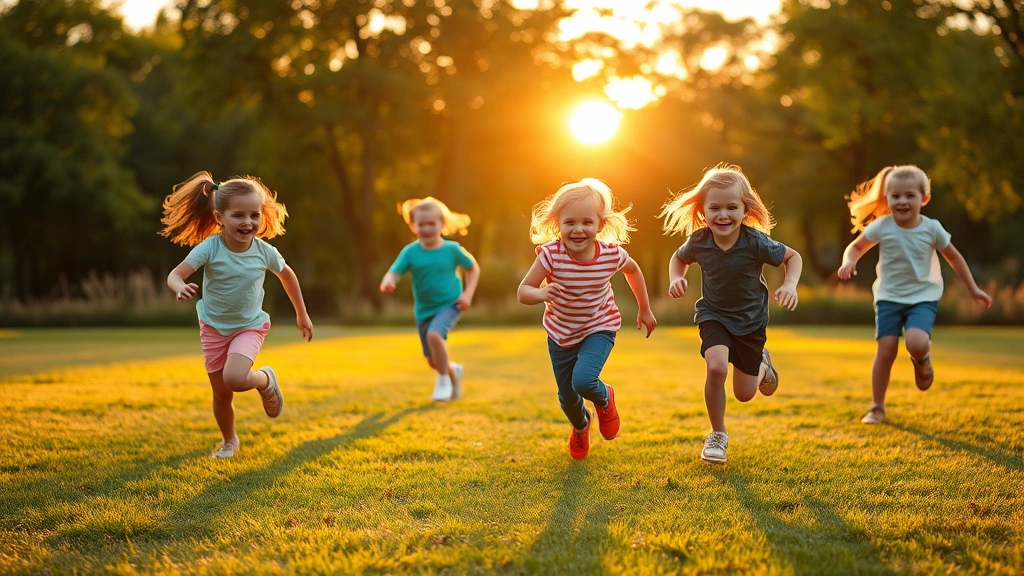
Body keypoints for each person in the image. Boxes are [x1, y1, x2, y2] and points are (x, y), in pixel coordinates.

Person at [161, 172, 313, 459]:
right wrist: (179, 286)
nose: (248, 222)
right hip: (213, 328)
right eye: (238, 215)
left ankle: (266, 380)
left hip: (249, 326)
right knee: (222, 394)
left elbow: (287, 276)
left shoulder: (264, 251)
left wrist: (301, 314)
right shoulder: (210, 248)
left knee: (234, 378)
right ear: (219, 217)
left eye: (254, 215)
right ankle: (229, 440)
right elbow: (176, 274)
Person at [660, 163, 802, 464]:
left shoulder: (755, 242)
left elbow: (793, 257)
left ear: (745, 209)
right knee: (716, 368)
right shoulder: (699, 241)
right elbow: (678, 258)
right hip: (713, 314)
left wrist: (790, 285)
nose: (723, 215)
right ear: (702, 211)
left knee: (745, 393)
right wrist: (676, 277)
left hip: (751, 323)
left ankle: (763, 364)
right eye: (715, 208)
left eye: (731, 207)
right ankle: (718, 435)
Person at [837, 165, 992, 424]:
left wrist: (973, 288)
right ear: (887, 199)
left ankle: (922, 361)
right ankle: (877, 407)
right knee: (885, 351)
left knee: (916, 343)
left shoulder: (932, 229)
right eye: (895, 196)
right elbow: (856, 247)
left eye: (910, 195)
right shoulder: (883, 226)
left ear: (924, 198)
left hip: (922, 297)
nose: (903, 201)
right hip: (888, 297)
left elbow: (954, 257)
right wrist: (848, 261)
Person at [518, 178, 657, 460]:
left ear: (600, 225)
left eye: (586, 222)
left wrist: (644, 308)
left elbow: (633, 270)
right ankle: (582, 426)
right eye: (570, 222)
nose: (578, 229)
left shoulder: (610, 255)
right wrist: (542, 293)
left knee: (583, 381)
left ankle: (605, 398)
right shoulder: (550, 256)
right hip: (561, 334)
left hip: (599, 327)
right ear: (558, 224)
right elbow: (523, 292)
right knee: (567, 398)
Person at [380, 197, 480, 401]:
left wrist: (468, 294)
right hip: (424, 310)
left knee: (435, 336)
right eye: (421, 224)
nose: (426, 228)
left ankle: (443, 382)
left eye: (431, 223)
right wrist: (388, 282)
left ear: (442, 224)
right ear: (413, 226)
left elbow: (473, 268)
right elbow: (394, 272)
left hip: (451, 304)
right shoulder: (410, 252)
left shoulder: (452, 250)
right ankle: (452, 370)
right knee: (432, 360)